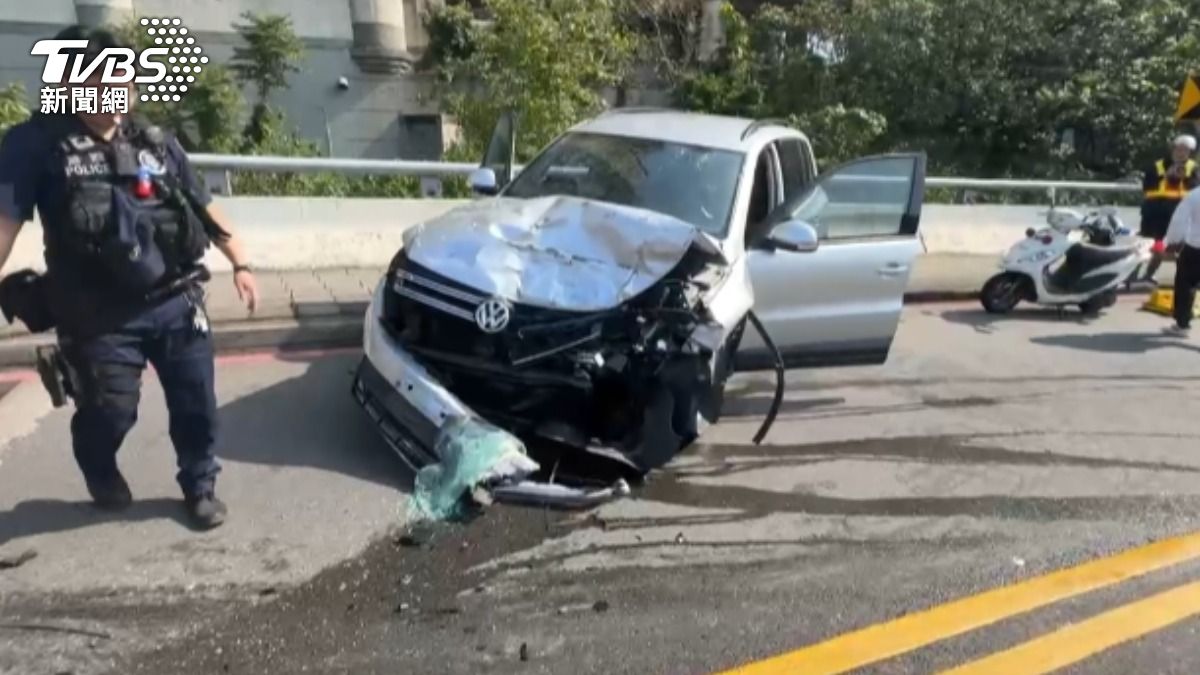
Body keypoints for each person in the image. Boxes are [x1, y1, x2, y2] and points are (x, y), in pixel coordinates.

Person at [0, 26, 259, 529]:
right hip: (98, 314)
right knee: (110, 413)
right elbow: (4, 224)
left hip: (175, 299)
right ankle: (97, 463)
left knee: (197, 402)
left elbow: (203, 206)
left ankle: (200, 484)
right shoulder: (36, 145)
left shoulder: (154, 143)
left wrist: (241, 263)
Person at [1139, 135, 1200, 284]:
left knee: (1184, 248)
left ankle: (1186, 279)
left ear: (1190, 152)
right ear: (1173, 149)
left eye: (1185, 150)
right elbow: (1147, 188)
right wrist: (1167, 177)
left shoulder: (1194, 168)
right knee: (1157, 246)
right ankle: (1146, 275)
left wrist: (1184, 179)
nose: (1181, 153)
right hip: (1157, 213)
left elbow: (1196, 189)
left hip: (1181, 212)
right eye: (1178, 149)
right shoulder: (1157, 166)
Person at [1163, 176, 1200, 336]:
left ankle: (1182, 325)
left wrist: (1173, 241)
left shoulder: (1194, 195)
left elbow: (1179, 222)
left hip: (1195, 247)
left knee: (1185, 284)